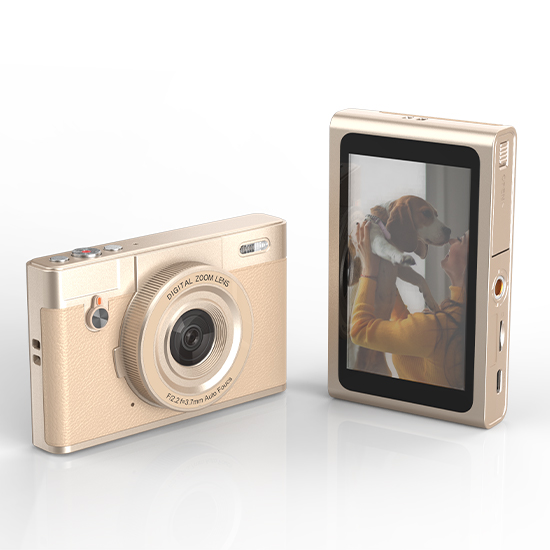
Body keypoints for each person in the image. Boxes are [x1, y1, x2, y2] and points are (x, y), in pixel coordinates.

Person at [350, 220, 469, 390]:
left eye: (461, 240)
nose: (451, 240)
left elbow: (359, 330)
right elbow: (404, 323)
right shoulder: (459, 318)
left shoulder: (439, 327)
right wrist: (385, 272)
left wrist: (368, 270)